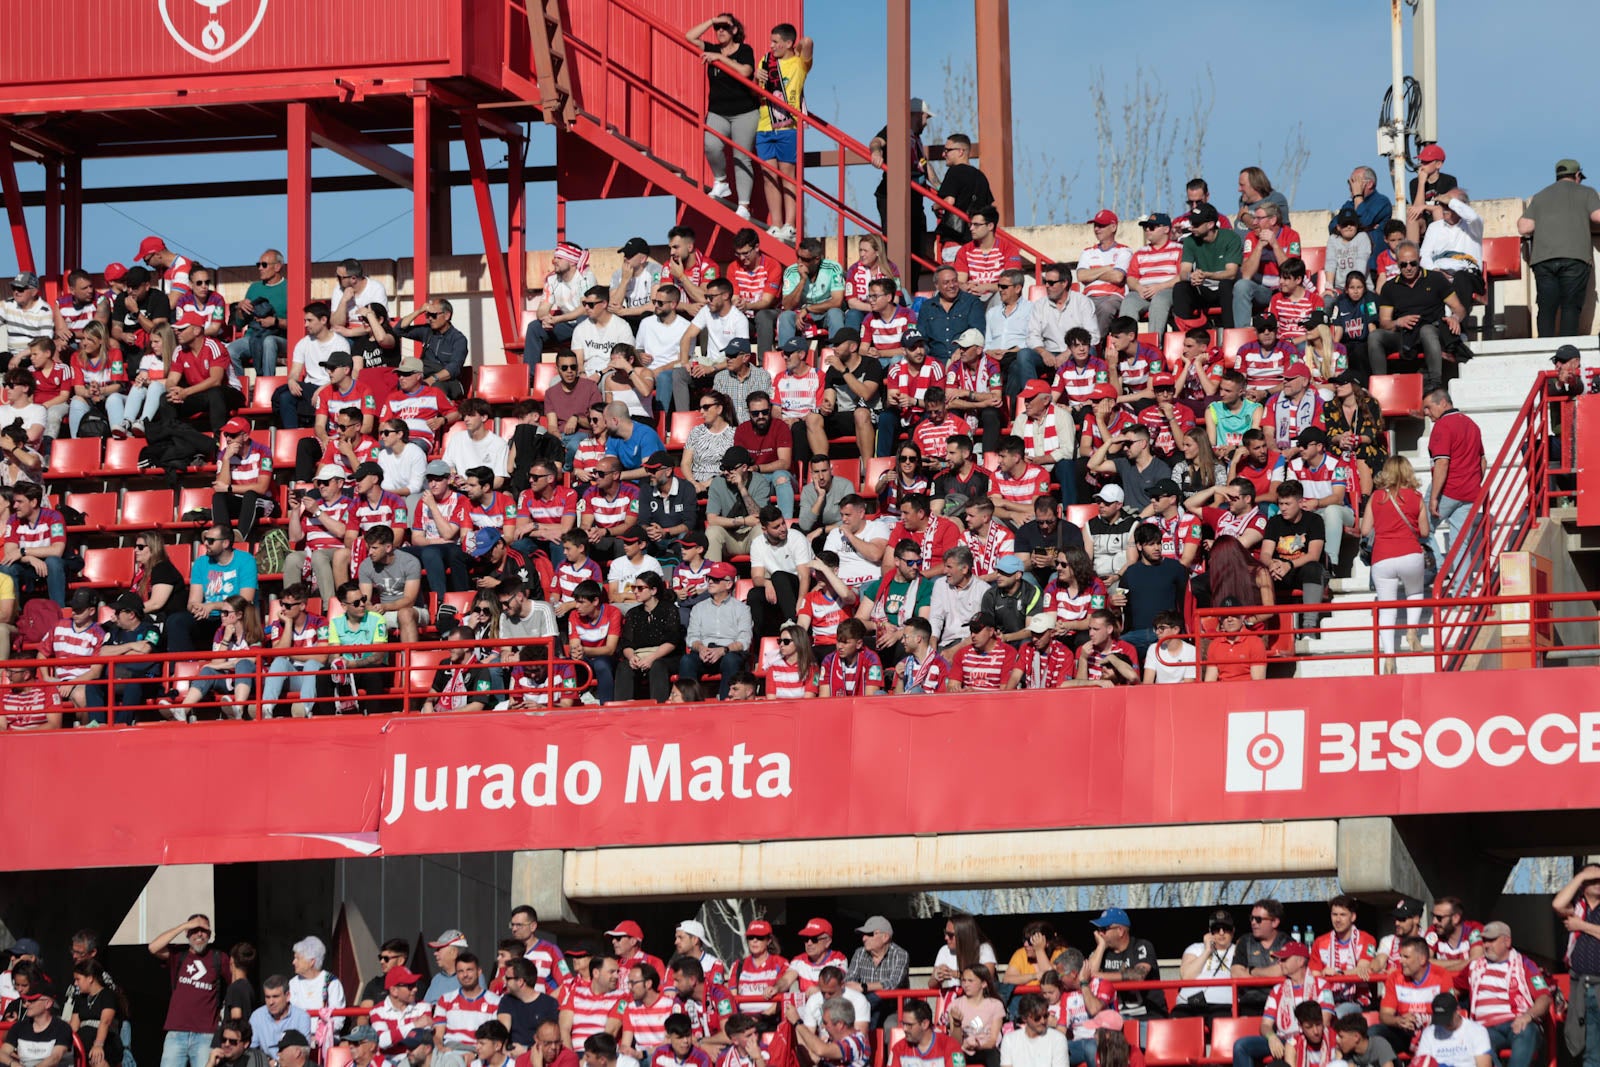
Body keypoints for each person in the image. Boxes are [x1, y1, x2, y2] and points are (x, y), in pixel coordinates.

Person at [1360, 456, 1429, 670]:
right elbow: (1425, 532)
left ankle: (1389, 655)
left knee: (1387, 607)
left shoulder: (1376, 497)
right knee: (1415, 592)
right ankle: (1412, 631)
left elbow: (1364, 530)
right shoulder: (1416, 497)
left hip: (1382, 557)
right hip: (1410, 553)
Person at [1367, 243, 1467, 392]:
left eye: (1413, 263)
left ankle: (1435, 384)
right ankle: (1381, 387)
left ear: (1419, 260)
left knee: (1426, 330)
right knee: (1375, 336)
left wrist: (1455, 318)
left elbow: (1459, 308)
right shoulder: (1389, 287)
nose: (1409, 268)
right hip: (1405, 335)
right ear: (1397, 264)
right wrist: (1398, 322)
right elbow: (1384, 322)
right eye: (1404, 264)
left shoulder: (1435, 279)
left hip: (1432, 332)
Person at [1518, 158, 1600, 337]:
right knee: (1570, 306)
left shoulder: (1540, 196)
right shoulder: (1587, 192)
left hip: (1543, 260)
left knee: (1547, 306)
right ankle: (1567, 348)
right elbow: (1597, 217)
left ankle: (1545, 347)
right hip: (1575, 258)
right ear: (1577, 175)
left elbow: (1524, 227)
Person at [753, 23, 813, 242]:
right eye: (771, 41)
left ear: (789, 43)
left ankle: (790, 224)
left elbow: (808, 42)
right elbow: (755, 88)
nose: (772, 46)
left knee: (788, 176)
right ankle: (776, 224)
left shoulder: (799, 64)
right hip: (764, 126)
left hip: (788, 128)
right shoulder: (765, 61)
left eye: (776, 41)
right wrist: (756, 77)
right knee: (769, 177)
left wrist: (794, 48)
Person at [1230, 942, 1331, 1067]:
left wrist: (1297, 1040)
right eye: (1280, 959)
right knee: (1241, 1046)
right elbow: (1265, 1025)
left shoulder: (1321, 985)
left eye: (1284, 959)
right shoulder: (1278, 989)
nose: (1279, 962)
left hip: (1311, 1037)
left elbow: (1325, 1020)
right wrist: (1272, 1037)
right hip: (1283, 1039)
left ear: (1300, 961)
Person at [149, 915, 229, 1067]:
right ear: (187, 933)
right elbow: (153, 947)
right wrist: (183, 926)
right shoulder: (179, 955)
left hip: (206, 1035)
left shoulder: (219, 958)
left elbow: (237, 982)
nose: (199, 934)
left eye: (204, 930)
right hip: (176, 1032)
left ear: (210, 935)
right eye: (194, 930)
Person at [1422, 388, 1484, 577]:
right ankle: (1462, 593)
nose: (1426, 412)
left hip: (1448, 489)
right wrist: (1474, 483)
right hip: (1470, 492)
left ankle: (1440, 569)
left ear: (1443, 403)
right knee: (1460, 544)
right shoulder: (1472, 424)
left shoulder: (1442, 426)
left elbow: (1442, 462)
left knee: (1418, 526)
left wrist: (1434, 498)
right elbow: (1482, 460)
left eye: (1428, 407)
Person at [1262, 482, 1325, 629]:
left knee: (1313, 568)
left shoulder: (1314, 521)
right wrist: (1271, 564)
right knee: (1260, 572)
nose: (1283, 508)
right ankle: (1265, 626)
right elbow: (1265, 553)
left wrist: (1288, 565)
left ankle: (1309, 626)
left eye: (1287, 504)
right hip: (1279, 571)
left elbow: (1313, 555)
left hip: (1301, 570)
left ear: (1300, 502)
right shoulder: (1274, 522)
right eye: (1280, 503)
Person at [1083, 909, 1164, 1019]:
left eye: (1104, 929)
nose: (1099, 933)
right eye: (1098, 929)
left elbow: (1138, 975)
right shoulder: (1101, 953)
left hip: (1147, 1014)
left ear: (1120, 931)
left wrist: (1099, 976)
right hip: (1115, 1017)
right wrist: (1101, 946)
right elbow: (1087, 975)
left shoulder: (1141, 946)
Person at [615, 572, 683, 702]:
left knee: (658, 665)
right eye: (634, 587)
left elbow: (672, 641)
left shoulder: (669, 610)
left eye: (640, 588)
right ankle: (622, 708)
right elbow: (626, 643)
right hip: (639, 655)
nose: (635, 591)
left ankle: (659, 707)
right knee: (624, 666)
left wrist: (652, 658)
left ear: (653, 590)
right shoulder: (633, 613)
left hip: (664, 656)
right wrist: (632, 657)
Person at [1175, 204, 1244, 328]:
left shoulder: (1230, 238)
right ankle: (1182, 333)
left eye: (1196, 224)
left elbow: (1231, 273)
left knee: (1226, 284)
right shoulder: (1190, 241)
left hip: (1226, 290)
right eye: (1191, 223)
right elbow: (1183, 272)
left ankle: (1229, 333)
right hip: (1203, 290)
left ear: (1210, 224)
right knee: (1180, 287)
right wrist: (1191, 276)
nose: (1192, 227)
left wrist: (1207, 275)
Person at [1174, 909, 1238, 1019]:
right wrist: (1207, 951)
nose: (1221, 933)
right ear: (1209, 932)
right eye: (1216, 929)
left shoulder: (1238, 950)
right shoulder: (1195, 948)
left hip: (1224, 1004)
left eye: (1226, 929)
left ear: (1232, 931)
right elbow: (1186, 977)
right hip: (1191, 1002)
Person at [1413, 994, 1491, 1067]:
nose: (1444, 1023)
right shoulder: (1429, 1033)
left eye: (1447, 1018)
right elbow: (1422, 1061)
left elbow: (1484, 1064)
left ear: (1457, 1010)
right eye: (1440, 1019)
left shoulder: (1477, 1031)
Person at [248, 977, 313, 1060]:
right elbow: (251, 1050)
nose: (271, 1002)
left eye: (275, 997)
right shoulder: (257, 1016)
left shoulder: (301, 1017)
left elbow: (302, 1053)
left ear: (288, 996)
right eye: (267, 997)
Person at [887, 1000, 965, 1067]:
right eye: (903, 1024)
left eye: (909, 1025)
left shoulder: (950, 1045)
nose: (904, 1029)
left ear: (925, 1024)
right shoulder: (898, 1048)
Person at [1332, 1015, 1396, 1067]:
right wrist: (1338, 1060)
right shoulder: (1348, 1052)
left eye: (1341, 1037)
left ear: (1356, 1037)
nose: (1338, 1041)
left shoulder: (1379, 1044)